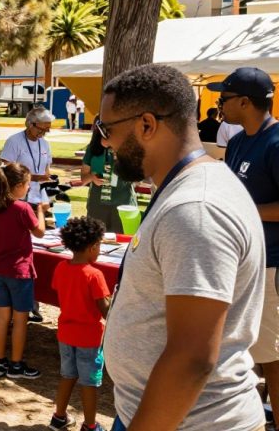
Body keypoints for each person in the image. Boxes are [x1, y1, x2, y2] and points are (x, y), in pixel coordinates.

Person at [100, 64, 264, 431]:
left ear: (146, 125)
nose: (104, 143)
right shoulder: (188, 189)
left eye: (107, 130)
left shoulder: (196, 209)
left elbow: (191, 359)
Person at [210, 66, 279, 421]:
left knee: (271, 357)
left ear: (244, 102)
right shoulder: (236, 142)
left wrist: (243, 207)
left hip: (269, 266)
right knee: (236, 349)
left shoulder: (276, 142)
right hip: (235, 262)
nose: (219, 103)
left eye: (223, 97)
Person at [50, 216, 110, 431]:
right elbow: (105, 310)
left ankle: (58, 417)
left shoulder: (60, 268)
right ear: (93, 246)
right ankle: (90, 425)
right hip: (89, 338)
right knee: (89, 383)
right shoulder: (95, 275)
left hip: (65, 334)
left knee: (68, 375)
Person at [0, 162, 44, 379]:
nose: (29, 188)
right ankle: (16, 364)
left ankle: (0, 362)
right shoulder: (23, 208)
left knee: (2, 317)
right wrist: (40, 210)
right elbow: (39, 232)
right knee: (20, 319)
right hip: (19, 271)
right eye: (28, 184)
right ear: (19, 185)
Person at [0, 105, 54, 322]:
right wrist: (33, 178)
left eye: (47, 130)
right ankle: (16, 304)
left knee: (36, 251)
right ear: (30, 124)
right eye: (42, 129)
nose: (44, 133)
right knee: (19, 250)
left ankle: (33, 303)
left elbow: (47, 171)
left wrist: (47, 189)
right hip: (19, 200)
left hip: (38, 200)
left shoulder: (45, 144)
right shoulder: (14, 141)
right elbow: (7, 172)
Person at [79, 116, 137, 234]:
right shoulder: (93, 149)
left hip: (123, 204)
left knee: (122, 241)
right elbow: (83, 178)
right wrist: (92, 178)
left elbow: (138, 176)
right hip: (98, 205)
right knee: (95, 239)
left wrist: (120, 159)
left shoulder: (127, 148)